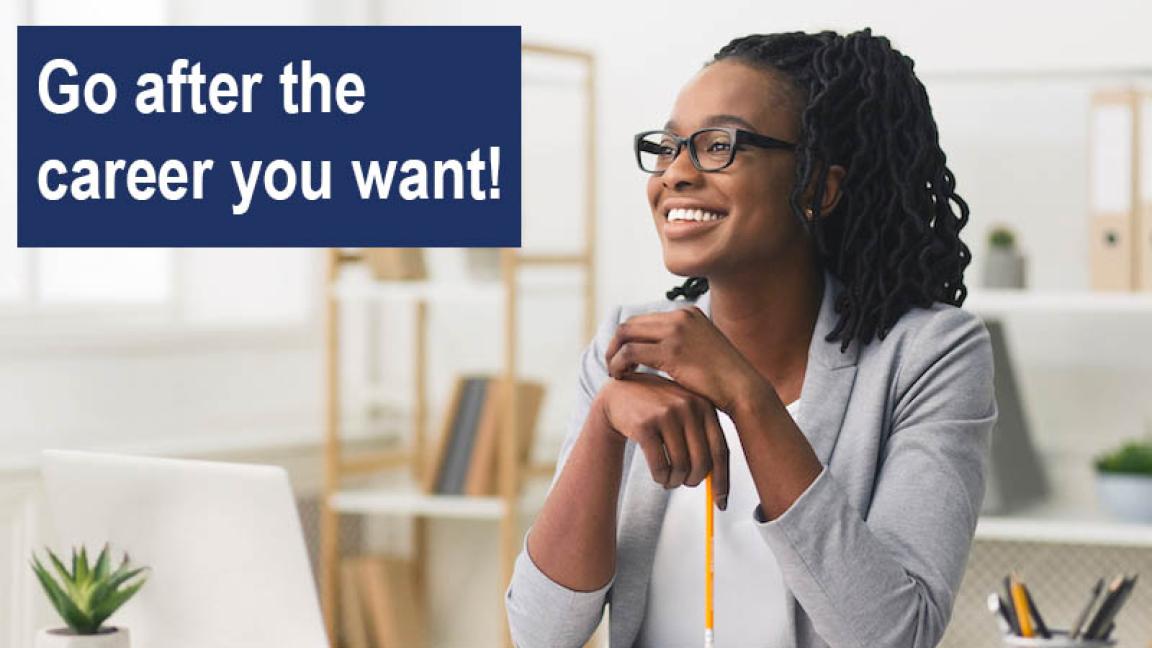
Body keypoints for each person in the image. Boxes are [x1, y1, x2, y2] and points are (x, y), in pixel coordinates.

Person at [505, 28, 997, 648]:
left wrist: (746, 395)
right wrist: (604, 424)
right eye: (669, 146)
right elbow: (539, 632)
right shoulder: (628, 345)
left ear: (819, 186)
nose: (675, 174)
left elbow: (894, 636)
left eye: (719, 145)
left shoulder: (929, 355)